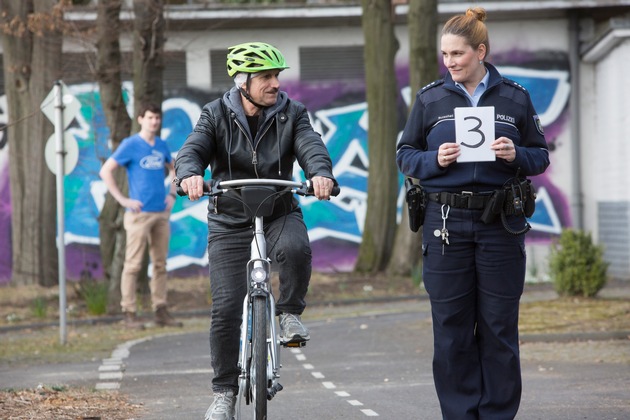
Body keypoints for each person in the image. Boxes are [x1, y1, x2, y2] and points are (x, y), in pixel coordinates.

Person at [396, 8, 550, 420]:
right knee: (452, 330)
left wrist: (517, 153)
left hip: (501, 223)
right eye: (445, 54)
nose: (449, 62)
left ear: (480, 51)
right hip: (445, 225)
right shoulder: (430, 98)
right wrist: (434, 160)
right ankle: (460, 415)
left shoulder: (515, 97)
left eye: (457, 54)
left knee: (499, 329)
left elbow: (540, 156)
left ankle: (498, 415)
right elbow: (405, 155)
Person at [174, 42, 336, 420]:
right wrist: (190, 175)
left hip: (278, 209)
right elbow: (192, 150)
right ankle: (224, 394)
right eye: (266, 76)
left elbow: (311, 147)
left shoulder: (293, 113)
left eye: (277, 75)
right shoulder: (214, 114)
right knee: (226, 308)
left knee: (296, 248)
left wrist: (321, 174)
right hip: (229, 218)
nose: (275, 83)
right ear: (243, 81)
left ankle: (290, 313)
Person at [99, 103, 182, 330]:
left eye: (157, 118)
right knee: (133, 265)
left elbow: (175, 169)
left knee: (160, 265)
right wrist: (123, 200)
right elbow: (105, 171)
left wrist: (173, 194)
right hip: (138, 215)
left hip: (160, 213)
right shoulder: (130, 145)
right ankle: (129, 312)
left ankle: (160, 310)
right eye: (149, 117)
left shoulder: (162, 145)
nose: (154, 121)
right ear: (140, 119)